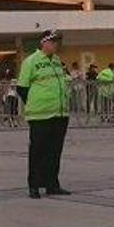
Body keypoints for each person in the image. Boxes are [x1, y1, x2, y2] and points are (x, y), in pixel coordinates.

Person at [16, 30, 72, 198]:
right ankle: (34, 185)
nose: (56, 45)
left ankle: (52, 184)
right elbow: (22, 87)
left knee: (55, 151)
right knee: (38, 151)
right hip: (40, 115)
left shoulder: (56, 61)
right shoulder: (31, 61)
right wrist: (34, 102)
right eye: (53, 42)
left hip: (59, 113)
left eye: (57, 42)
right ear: (43, 43)